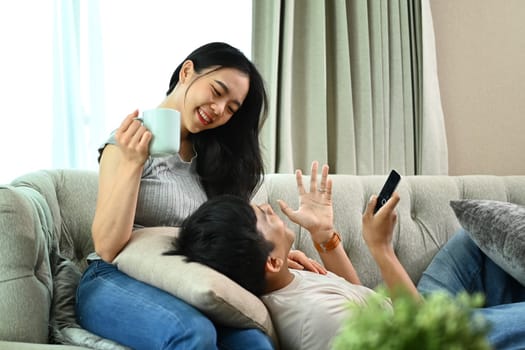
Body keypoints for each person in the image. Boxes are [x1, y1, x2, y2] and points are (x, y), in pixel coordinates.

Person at [169, 161, 525, 350]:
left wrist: (324, 236)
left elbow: (360, 299)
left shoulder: (283, 276)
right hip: (433, 335)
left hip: (411, 309)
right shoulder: (316, 320)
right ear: (270, 261)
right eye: (261, 216)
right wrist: (381, 249)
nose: (267, 208)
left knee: (475, 237)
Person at [76, 42, 281, 350]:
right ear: (187, 72)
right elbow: (107, 246)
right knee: (193, 334)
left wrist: (277, 251)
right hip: (116, 279)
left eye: (231, 109)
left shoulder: (214, 160)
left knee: (254, 343)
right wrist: (134, 164)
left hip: (188, 282)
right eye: (217, 91)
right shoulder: (127, 145)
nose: (219, 109)